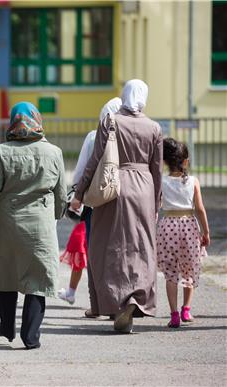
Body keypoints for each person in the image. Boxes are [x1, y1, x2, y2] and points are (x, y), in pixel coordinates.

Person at [71, 79, 163, 333]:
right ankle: (135, 297)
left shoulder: (110, 120)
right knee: (140, 246)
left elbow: (95, 160)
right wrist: (156, 203)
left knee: (108, 246)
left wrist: (79, 193)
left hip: (113, 187)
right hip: (144, 189)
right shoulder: (154, 127)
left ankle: (116, 302)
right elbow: (158, 170)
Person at [0, 102, 67, 349]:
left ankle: (7, 328)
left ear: (13, 121)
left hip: (8, 223)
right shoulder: (54, 152)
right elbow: (61, 194)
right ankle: (30, 337)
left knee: (7, 276)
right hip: (40, 224)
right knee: (37, 280)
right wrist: (54, 214)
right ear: (37, 120)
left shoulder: (3, 151)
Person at [57, 97, 122, 311]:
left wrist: (77, 194)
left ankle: (97, 305)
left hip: (96, 201)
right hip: (124, 202)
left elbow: (83, 169)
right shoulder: (130, 134)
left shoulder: (94, 136)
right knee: (119, 251)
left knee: (94, 251)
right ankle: (119, 301)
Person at [157, 138, 210, 328]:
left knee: (170, 273)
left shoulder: (161, 181)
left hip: (168, 226)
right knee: (189, 268)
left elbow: (156, 206)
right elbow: (200, 209)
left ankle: (173, 315)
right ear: (185, 161)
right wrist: (206, 231)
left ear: (165, 162)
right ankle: (186, 310)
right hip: (189, 226)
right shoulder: (193, 181)